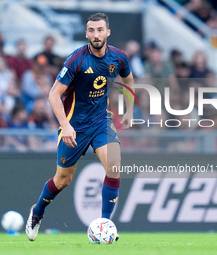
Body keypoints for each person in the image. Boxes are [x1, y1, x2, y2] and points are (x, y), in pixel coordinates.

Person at [25, 13, 134, 242]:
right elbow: (54, 94)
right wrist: (65, 126)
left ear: (108, 32)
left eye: (100, 30)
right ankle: (37, 212)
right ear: (86, 33)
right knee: (63, 179)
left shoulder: (119, 58)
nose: (96, 34)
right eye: (91, 30)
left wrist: (129, 109)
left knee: (113, 166)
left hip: (100, 121)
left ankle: (105, 224)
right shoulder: (76, 60)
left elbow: (129, 80)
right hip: (73, 125)